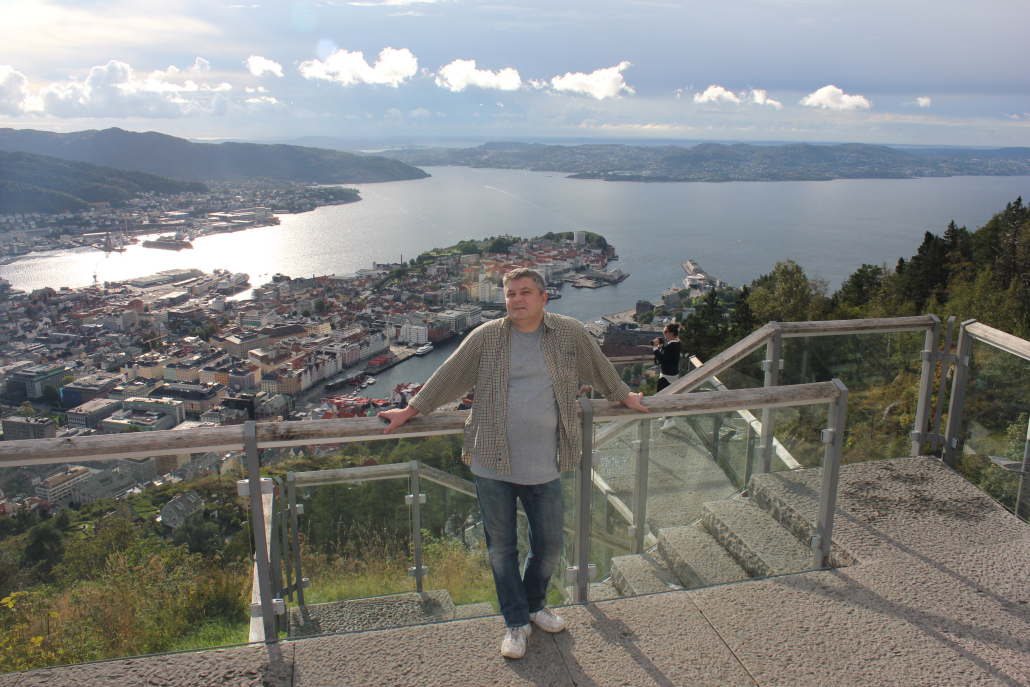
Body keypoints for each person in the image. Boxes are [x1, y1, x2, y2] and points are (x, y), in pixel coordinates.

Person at [378, 267, 649, 660]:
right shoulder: (488, 336)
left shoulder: (569, 333)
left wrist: (624, 396)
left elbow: (599, 366)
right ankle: (516, 621)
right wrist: (410, 410)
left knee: (551, 545)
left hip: (544, 460)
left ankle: (534, 603)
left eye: (525, 292)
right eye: (510, 294)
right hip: (491, 459)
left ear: (543, 297)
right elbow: (448, 375)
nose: (516, 300)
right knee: (501, 548)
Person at [653, 323, 682, 431]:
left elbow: (663, 360)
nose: (664, 334)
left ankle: (670, 420)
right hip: (672, 374)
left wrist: (656, 349)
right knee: (668, 395)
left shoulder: (671, 346)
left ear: (671, 333)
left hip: (667, 375)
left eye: (665, 332)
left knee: (661, 397)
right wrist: (662, 347)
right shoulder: (676, 344)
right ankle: (666, 416)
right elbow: (669, 356)